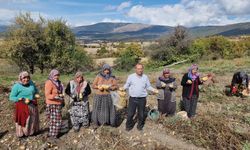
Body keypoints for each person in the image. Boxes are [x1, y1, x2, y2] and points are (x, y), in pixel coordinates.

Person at [123, 63, 158, 131]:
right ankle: (128, 126)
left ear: (143, 69)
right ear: (135, 69)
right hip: (133, 98)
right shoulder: (131, 76)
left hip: (142, 99)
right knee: (130, 114)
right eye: (138, 69)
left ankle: (140, 126)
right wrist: (123, 88)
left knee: (141, 114)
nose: (140, 70)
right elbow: (127, 84)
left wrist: (153, 89)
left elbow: (148, 86)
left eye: (141, 69)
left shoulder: (145, 77)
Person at [9, 71, 40, 138]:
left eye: (28, 77)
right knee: (24, 120)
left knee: (32, 119)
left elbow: (36, 91)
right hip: (22, 106)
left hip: (32, 105)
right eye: (24, 78)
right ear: (20, 78)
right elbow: (11, 97)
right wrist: (19, 98)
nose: (26, 79)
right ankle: (22, 134)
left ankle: (31, 132)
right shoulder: (16, 86)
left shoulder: (31, 83)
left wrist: (36, 95)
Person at [45, 69, 64, 140]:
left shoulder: (58, 82)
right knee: (54, 120)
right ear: (52, 75)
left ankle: (54, 133)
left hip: (58, 103)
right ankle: (53, 136)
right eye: (55, 75)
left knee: (57, 120)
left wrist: (61, 96)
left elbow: (59, 91)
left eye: (58, 75)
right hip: (52, 104)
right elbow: (47, 95)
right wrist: (55, 96)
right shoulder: (49, 82)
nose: (57, 76)